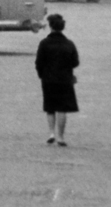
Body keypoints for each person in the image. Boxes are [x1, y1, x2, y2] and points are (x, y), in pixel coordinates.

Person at [34, 13, 79, 146]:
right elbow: (75, 62)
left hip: (48, 79)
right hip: (65, 79)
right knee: (62, 108)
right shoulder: (69, 44)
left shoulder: (44, 43)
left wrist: (42, 75)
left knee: (50, 107)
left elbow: (38, 63)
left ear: (51, 27)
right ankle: (61, 136)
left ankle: (51, 133)